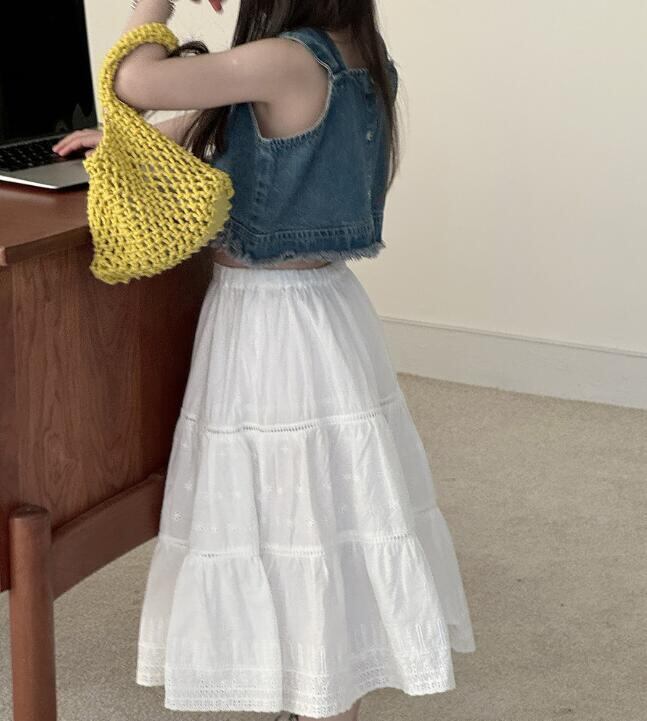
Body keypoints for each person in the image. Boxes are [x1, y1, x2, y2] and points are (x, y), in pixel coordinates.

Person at [53, 1, 476, 719]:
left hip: (269, 319)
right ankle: (320, 685)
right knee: (322, 501)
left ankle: (319, 694)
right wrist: (135, 140)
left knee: (285, 503)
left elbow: (131, 80)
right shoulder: (360, 58)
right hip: (326, 310)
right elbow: (244, 133)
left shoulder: (284, 60)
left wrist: (156, 2)